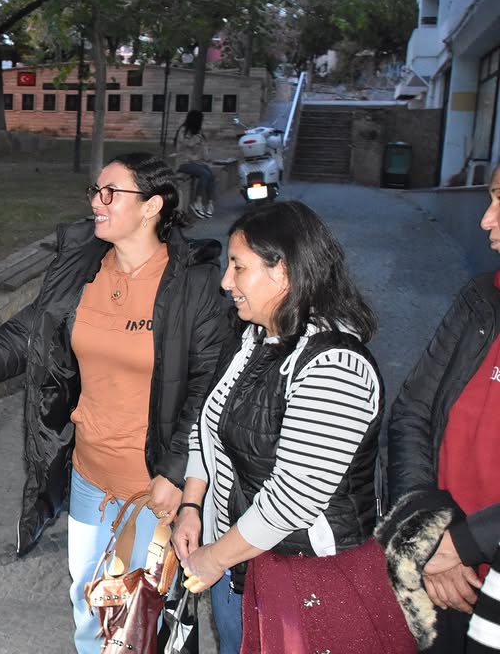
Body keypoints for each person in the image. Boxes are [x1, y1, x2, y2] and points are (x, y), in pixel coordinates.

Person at [0, 152, 230, 653]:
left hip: (152, 489)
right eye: (95, 192)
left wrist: (176, 472)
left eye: (112, 193)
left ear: (152, 206)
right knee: (89, 603)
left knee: (144, 624)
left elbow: (206, 387)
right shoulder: (82, 267)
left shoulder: (193, 285)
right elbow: (24, 338)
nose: (97, 203)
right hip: (88, 477)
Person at [171, 200, 415, 654]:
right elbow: (207, 429)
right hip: (238, 566)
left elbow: (294, 498)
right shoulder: (255, 339)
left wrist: (213, 558)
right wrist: (191, 505)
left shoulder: (334, 366)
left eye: (238, 267)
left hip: (306, 575)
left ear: (282, 272)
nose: (226, 282)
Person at [381, 162, 500, 652]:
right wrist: (427, 535)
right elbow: (412, 412)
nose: (486, 220)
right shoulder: (480, 300)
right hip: (442, 570)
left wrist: (463, 544)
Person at [173, 110, 217, 219]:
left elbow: (202, 150)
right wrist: (196, 139)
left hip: (196, 162)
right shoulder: (183, 131)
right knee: (204, 174)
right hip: (183, 163)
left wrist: (205, 155)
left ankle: (210, 203)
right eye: (200, 120)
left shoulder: (198, 132)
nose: (201, 123)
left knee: (210, 174)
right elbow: (186, 145)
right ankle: (197, 201)